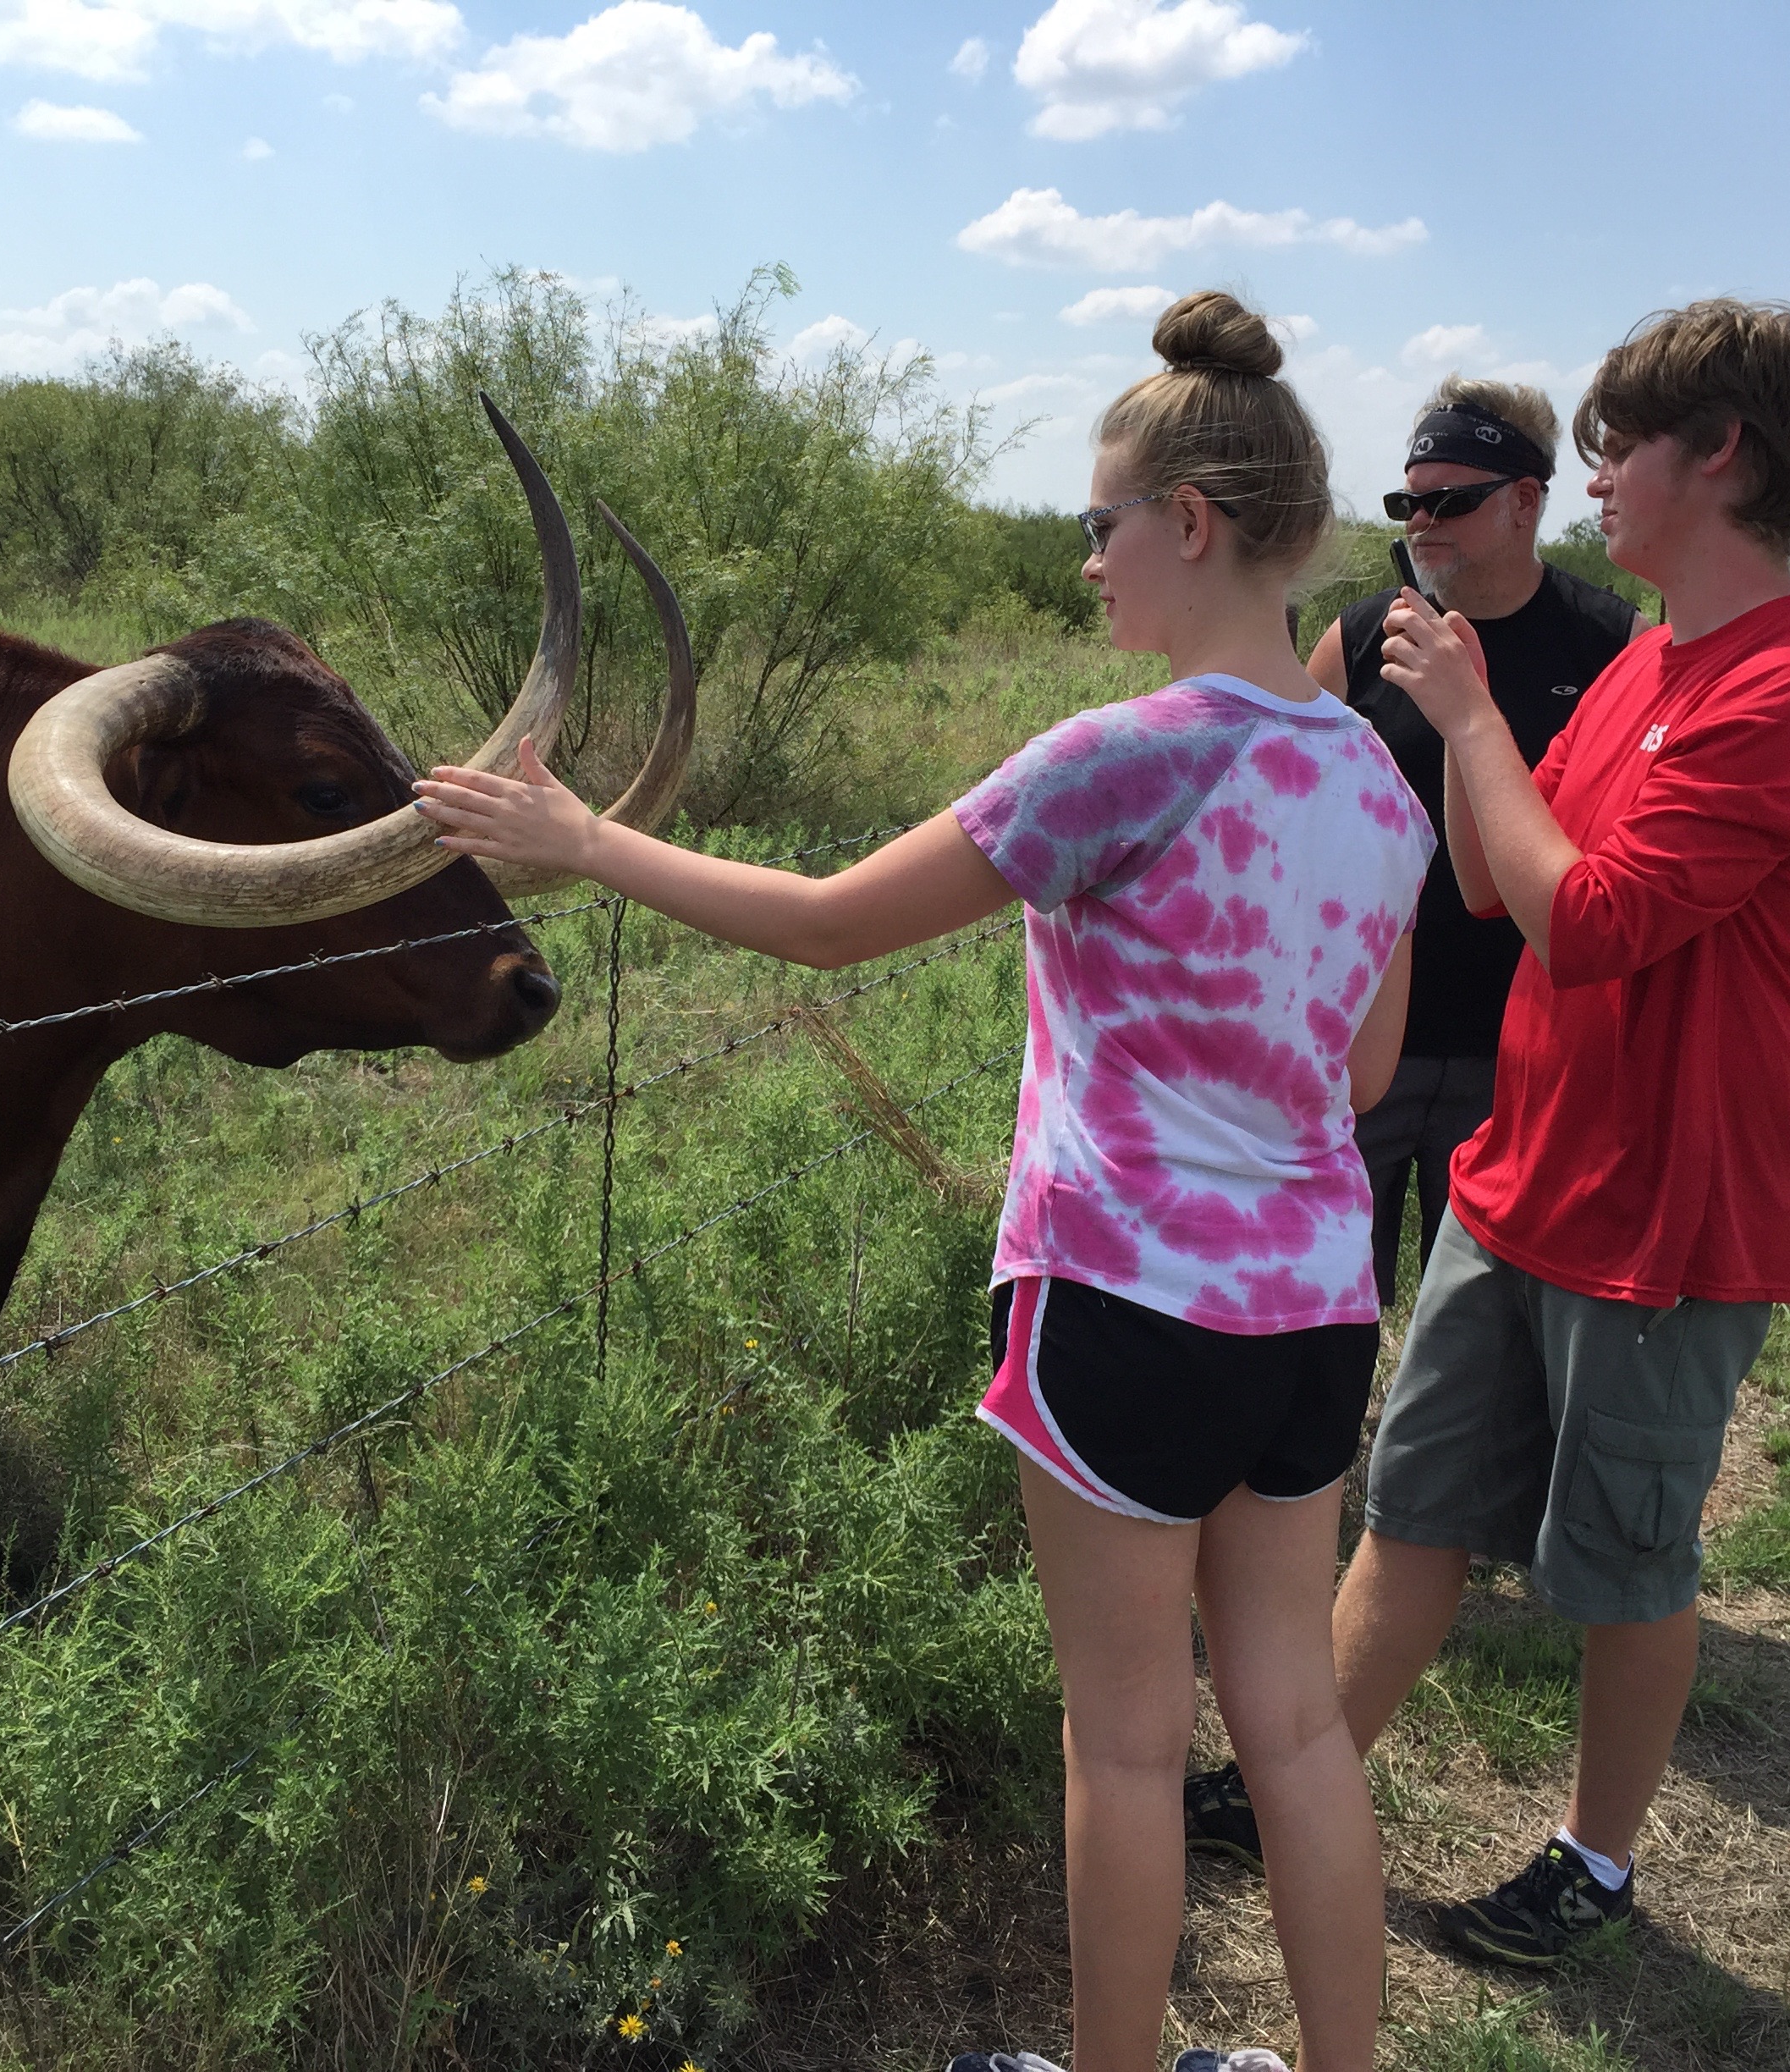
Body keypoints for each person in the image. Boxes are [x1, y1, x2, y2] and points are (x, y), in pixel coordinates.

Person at [411, 291, 1434, 2072]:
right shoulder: (1377, 779)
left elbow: (822, 931)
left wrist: (579, 840)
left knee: (1123, 1745)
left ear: (1188, 524)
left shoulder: (1119, 758)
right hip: (1318, 1311)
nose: (1089, 564)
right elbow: (1356, 1077)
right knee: (1293, 1731)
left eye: (1101, 525)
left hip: (1122, 1309)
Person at [1338, 298, 1790, 1967]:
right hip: (1526, 1174)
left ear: (1717, 453)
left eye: (1610, 452)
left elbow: (1586, 922)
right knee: (1417, 1508)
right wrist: (1459, 709)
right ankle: (1292, 1773)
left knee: (1627, 1565)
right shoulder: (1648, 659)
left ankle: (1595, 1860)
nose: (1589, 489)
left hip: (1668, 1215)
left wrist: (1481, 718)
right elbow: (1486, 875)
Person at [1181, 377, 1643, 1877]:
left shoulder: (1604, 646)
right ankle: (1303, 1542)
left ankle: (1459, 1549)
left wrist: (1476, 711)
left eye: (1450, 501)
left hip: (1516, 1057)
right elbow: (1283, 775)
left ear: (1527, 504)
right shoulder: (1361, 634)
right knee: (1337, 1308)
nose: (1422, 530)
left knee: (1471, 1326)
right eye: (1405, 502)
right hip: (1355, 1050)